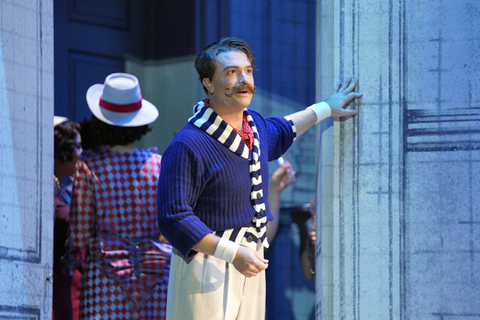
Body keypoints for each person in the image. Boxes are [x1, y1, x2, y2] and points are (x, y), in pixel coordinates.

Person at [156, 37, 362, 320]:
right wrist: (232, 253)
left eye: (248, 71)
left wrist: (326, 107)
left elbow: (286, 127)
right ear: (208, 83)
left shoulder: (255, 128)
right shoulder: (188, 144)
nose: (244, 79)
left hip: (250, 259)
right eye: (231, 72)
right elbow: (174, 217)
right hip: (207, 262)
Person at [69, 73, 171, 320]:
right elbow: (170, 226)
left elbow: (80, 235)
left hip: (105, 280)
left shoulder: (89, 167)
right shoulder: (160, 165)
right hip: (155, 277)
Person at [53, 116, 82, 320]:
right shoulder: (49, 190)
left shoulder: (66, 189)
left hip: (70, 282)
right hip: (57, 283)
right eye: (77, 147)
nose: (81, 153)